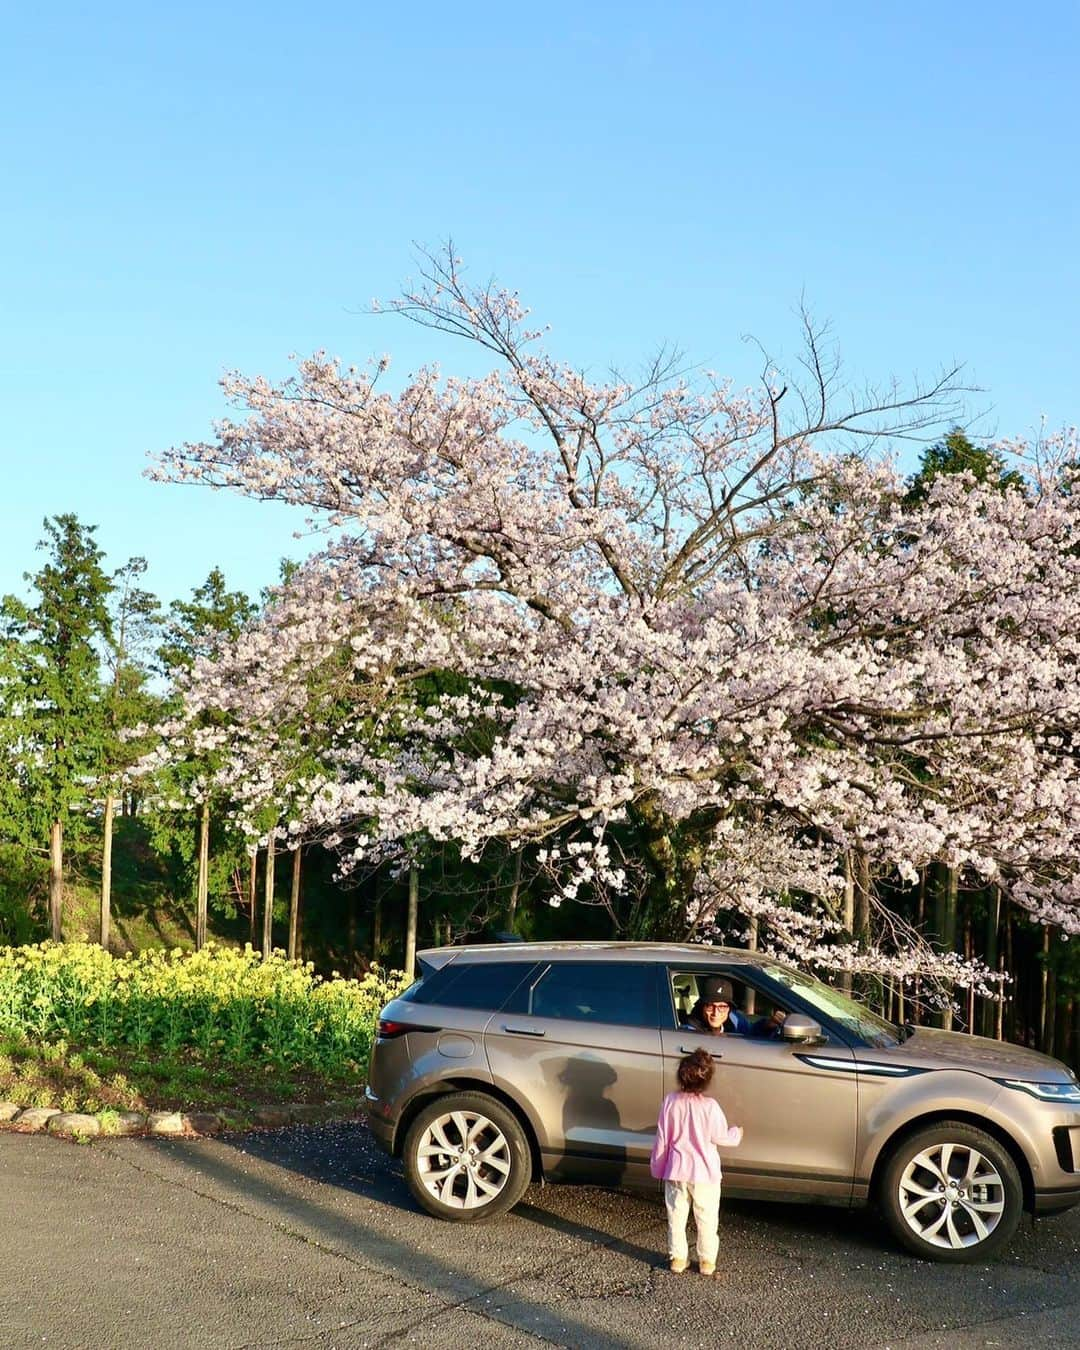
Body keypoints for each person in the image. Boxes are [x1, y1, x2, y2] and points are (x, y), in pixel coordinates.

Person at [650, 1048, 742, 1275]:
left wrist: (658, 1167)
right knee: (707, 1218)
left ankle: (678, 1259)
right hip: (705, 1175)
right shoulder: (710, 1107)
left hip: (676, 1171)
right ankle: (707, 1262)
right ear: (707, 1080)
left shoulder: (670, 1101)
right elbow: (720, 1137)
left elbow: (663, 1137)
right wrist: (736, 1133)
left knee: (676, 1216)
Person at [682, 975, 786, 1039]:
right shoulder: (689, 1032)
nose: (716, 1013)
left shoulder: (735, 1020)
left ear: (729, 1009)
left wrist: (768, 1025)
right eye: (710, 1006)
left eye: (722, 1007)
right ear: (702, 1006)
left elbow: (750, 1033)